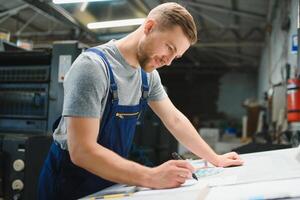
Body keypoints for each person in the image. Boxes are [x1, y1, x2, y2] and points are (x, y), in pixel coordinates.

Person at [38, 2, 243, 199]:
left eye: (176, 56)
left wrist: (214, 158)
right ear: (150, 27)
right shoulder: (93, 68)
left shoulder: (148, 76)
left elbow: (174, 120)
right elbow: (82, 151)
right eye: (169, 48)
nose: (168, 61)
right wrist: (152, 176)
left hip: (111, 179)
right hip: (70, 184)